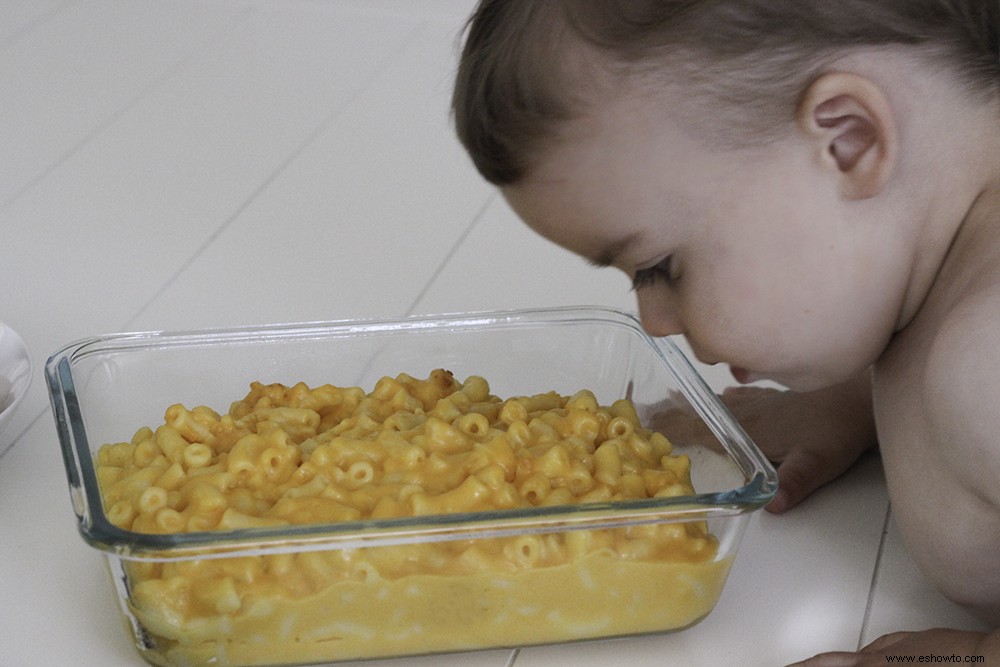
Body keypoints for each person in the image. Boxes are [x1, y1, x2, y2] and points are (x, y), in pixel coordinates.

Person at [451, 1, 1000, 664]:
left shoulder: (982, 365)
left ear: (848, 140)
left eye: (661, 267)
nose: (655, 320)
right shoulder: (932, 270)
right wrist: (856, 400)